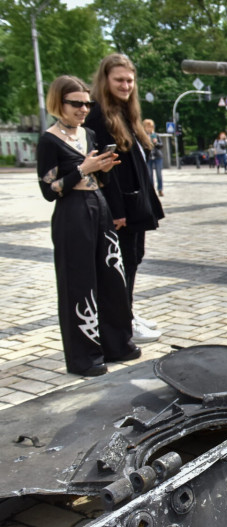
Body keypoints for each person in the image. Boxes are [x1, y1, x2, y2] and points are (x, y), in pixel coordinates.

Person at [36, 75, 139, 376]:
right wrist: (83, 168)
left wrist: (103, 169)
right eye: (76, 104)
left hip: (99, 206)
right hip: (72, 213)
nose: (83, 109)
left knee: (112, 278)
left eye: (87, 103)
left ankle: (117, 344)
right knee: (78, 284)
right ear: (59, 103)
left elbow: (98, 178)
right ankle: (85, 358)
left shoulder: (89, 134)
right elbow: (48, 190)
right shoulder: (49, 140)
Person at [86, 53, 164, 343]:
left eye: (129, 80)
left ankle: (127, 313)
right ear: (105, 80)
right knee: (123, 263)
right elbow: (107, 171)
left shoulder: (124, 112)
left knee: (133, 258)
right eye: (119, 79)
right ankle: (121, 322)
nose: (125, 85)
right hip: (121, 207)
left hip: (136, 201)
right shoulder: (99, 115)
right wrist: (116, 210)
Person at [143, 119, 164, 196]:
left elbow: (161, 146)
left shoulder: (156, 135)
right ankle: (151, 191)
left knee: (159, 174)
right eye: (147, 127)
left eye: (151, 127)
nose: (149, 128)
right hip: (148, 158)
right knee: (150, 175)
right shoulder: (143, 136)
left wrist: (155, 142)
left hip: (157, 157)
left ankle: (160, 189)